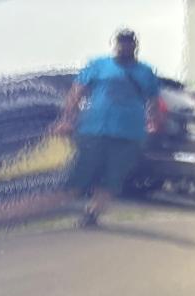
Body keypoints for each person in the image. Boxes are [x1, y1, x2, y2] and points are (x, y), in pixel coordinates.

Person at [54, 29, 160, 226]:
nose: (124, 47)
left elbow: (154, 101)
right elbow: (76, 93)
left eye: (128, 43)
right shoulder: (98, 65)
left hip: (128, 133)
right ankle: (54, 207)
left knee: (112, 178)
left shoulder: (145, 72)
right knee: (80, 172)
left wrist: (152, 122)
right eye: (121, 43)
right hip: (94, 129)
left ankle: (92, 213)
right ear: (114, 45)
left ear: (135, 46)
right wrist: (67, 119)